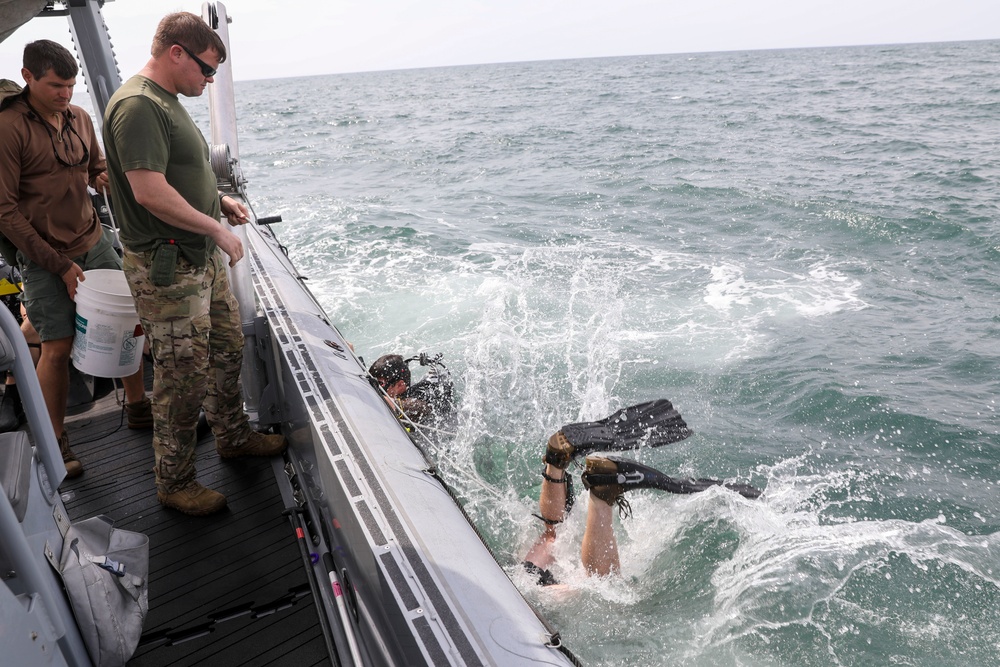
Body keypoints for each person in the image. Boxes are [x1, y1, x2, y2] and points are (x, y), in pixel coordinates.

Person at [102, 12, 285, 516]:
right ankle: (175, 481)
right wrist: (215, 230)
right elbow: (148, 190)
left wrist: (217, 204)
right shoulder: (139, 105)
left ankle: (232, 436)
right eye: (205, 70)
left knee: (227, 348)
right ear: (176, 52)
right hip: (171, 265)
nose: (208, 81)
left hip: (197, 257)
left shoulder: (166, 101)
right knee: (182, 377)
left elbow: (184, 171)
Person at [0, 41, 152, 478]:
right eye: (55, 86)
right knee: (58, 347)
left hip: (94, 239)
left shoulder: (81, 118)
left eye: (70, 86)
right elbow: (5, 212)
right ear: (28, 76)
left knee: (128, 320)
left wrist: (108, 177)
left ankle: (139, 408)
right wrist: (61, 267)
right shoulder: (8, 128)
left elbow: (93, 169)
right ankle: (57, 440)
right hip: (45, 255)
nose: (65, 95)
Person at [522, 400, 762, 581]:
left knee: (600, 585)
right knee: (552, 536)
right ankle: (557, 465)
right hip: (526, 571)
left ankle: (601, 492)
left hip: (529, 590)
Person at [369, 353, 453, 425]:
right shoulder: (402, 392)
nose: (376, 387)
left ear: (400, 385)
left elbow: (416, 406)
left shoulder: (418, 401)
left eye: (380, 383)